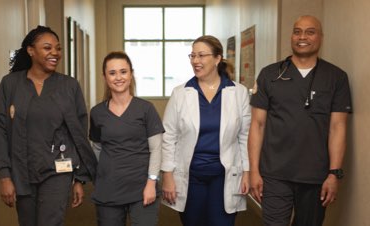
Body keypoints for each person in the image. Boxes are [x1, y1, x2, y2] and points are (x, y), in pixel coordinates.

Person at [248, 15, 352, 226]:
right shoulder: (270, 74)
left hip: (316, 176)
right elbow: (257, 125)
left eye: (310, 32)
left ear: (321, 37)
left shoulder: (336, 77)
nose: (302, 37)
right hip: (274, 173)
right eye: (297, 31)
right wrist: (254, 171)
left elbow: (338, 127)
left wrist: (334, 174)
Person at [0, 25, 97, 226]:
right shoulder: (10, 85)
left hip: (58, 170)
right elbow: (0, 131)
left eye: (58, 48)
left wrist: (79, 178)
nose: (55, 53)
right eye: (47, 48)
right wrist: (4, 176)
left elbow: (79, 134)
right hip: (22, 171)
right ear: (31, 51)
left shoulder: (69, 86)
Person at [161, 35, 251, 226]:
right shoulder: (181, 93)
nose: (195, 61)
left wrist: (247, 172)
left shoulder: (238, 92)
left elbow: (245, 136)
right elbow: (169, 136)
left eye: (201, 55)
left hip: (224, 175)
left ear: (218, 58)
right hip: (191, 176)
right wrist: (167, 175)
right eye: (192, 56)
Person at [89, 51, 164, 226]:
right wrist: (102, 177)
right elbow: (97, 149)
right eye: (112, 73)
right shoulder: (97, 112)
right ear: (104, 77)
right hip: (108, 190)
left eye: (123, 72)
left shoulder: (146, 109)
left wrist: (152, 182)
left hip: (142, 189)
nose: (118, 77)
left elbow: (156, 149)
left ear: (131, 74)